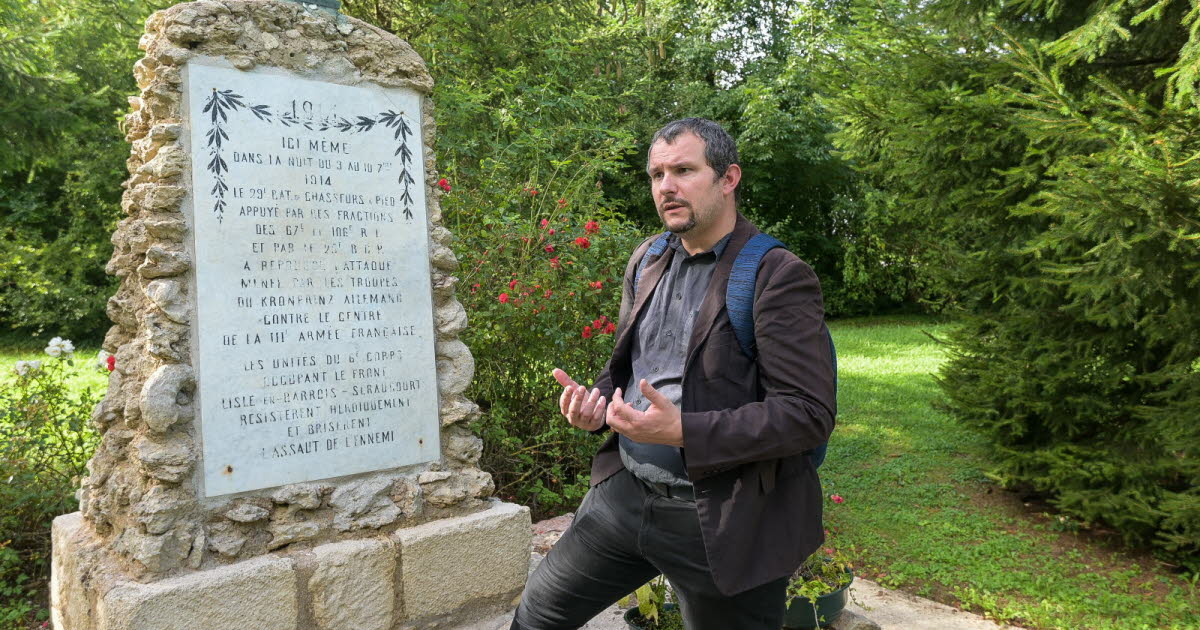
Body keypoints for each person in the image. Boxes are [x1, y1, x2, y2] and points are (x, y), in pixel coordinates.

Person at [511, 118, 836, 630]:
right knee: (537, 616)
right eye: (657, 174)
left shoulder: (777, 276)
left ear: (728, 178)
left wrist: (683, 430)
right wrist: (594, 404)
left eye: (684, 170)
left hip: (723, 522)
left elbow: (807, 415)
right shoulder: (647, 258)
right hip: (622, 500)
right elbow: (627, 367)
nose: (667, 186)